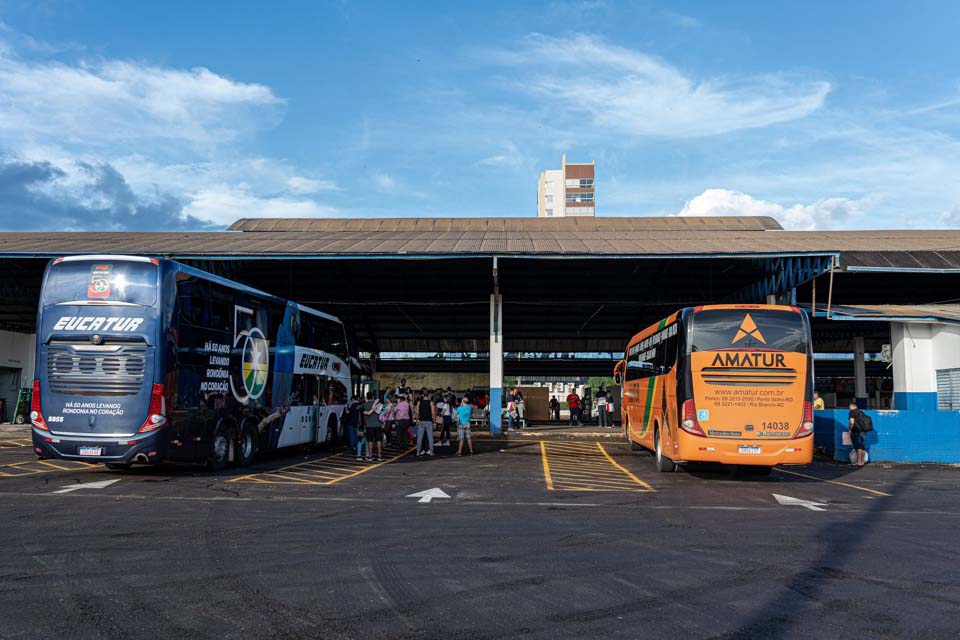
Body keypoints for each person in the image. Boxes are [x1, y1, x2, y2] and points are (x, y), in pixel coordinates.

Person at [362, 392, 384, 462]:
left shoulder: (364, 405)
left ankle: (370, 456)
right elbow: (382, 413)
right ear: (373, 397)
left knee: (370, 441)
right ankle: (379, 456)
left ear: (367, 397)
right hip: (378, 425)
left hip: (369, 425)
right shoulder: (378, 404)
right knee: (379, 440)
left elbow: (365, 413)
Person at [413, 388, 436, 456]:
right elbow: (433, 413)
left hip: (421, 421)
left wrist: (416, 421)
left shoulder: (419, 402)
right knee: (430, 438)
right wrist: (434, 422)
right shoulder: (431, 402)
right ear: (428, 395)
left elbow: (417, 412)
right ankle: (431, 452)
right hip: (429, 421)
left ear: (422, 395)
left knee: (419, 438)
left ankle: (417, 452)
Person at [848, 402, 868, 466]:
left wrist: (850, 429)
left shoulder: (852, 412)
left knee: (858, 446)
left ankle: (859, 462)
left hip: (856, 431)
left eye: (849, 407)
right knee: (861, 446)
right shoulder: (861, 412)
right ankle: (861, 461)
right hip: (863, 431)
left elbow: (852, 423)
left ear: (851, 406)